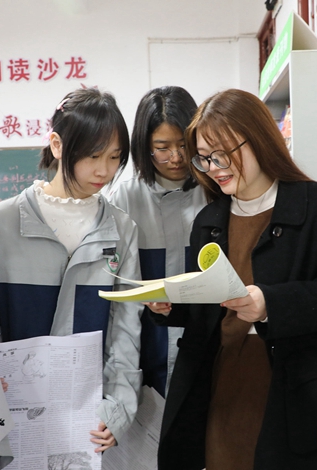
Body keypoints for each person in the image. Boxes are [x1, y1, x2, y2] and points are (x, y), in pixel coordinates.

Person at [147, 89, 317, 469]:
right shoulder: (209, 221)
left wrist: (269, 305)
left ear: (259, 139)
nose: (214, 167)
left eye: (222, 154)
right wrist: (170, 305)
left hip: (295, 388)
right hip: (223, 381)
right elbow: (211, 306)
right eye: (205, 157)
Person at [0, 88, 142, 452]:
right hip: (12, 414)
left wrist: (118, 408)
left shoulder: (121, 229)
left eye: (114, 157)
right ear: (57, 145)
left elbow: (125, 329)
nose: (104, 170)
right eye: (93, 155)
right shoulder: (1, 222)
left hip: (87, 418)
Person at [109, 86, 206, 397]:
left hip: (204, 348)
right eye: (162, 148)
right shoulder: (124, 198)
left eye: (184, 145)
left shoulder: (214, 191)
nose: (176, 158)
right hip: (145, 350)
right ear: (144, 146)